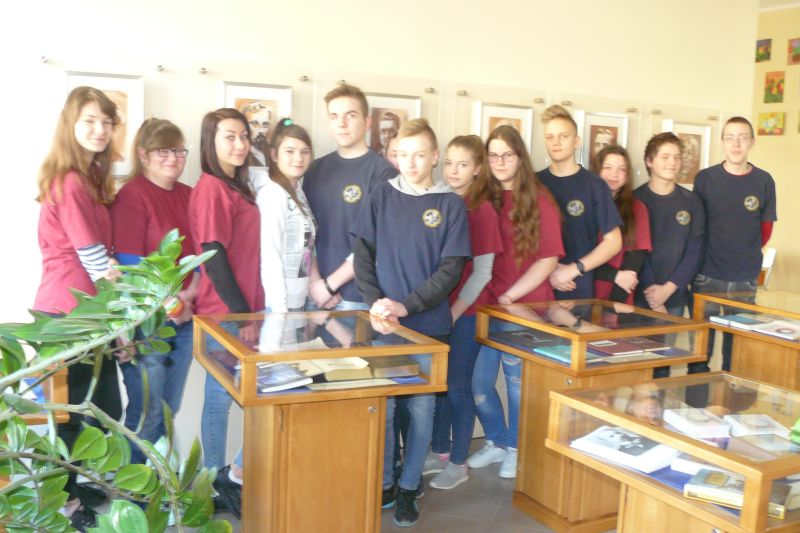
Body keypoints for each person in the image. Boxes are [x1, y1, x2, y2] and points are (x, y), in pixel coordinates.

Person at [352, 118, 470, 527]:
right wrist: (376, 303)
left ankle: (408, 485)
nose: (411, 163)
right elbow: (362, 255)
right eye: (403, 155)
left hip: (429, 328)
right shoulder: (380, 195)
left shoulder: (450, 204)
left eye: (420, 155)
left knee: (421, 411)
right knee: (384, 409)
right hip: (384, 325)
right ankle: (385, 481)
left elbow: (450, 270)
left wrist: (407, 305)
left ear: (435, 156)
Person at [33, 86, 123, 530]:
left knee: (102, 409)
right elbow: (93, 257)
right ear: (70, 125)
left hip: (89, 315)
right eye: (90, 121)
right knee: (70, 415)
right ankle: (64, 505)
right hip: (68, 315)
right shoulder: (69, 180)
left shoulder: (87, 181)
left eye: (106, 122)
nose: (100, 130)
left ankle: (72, 485)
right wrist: (128, 303)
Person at [467, 125, 564, 479]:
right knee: (479, 383)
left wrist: (512, 295)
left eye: (506, 154)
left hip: (525, 309)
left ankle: (516, 448)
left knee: (516, 383)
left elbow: (548, 260)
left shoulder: (540, 200)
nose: (499, 162)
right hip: (488, 307)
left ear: (520, 157)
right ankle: (496, 439)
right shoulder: (482, 197)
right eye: (493, 155)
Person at [190, 108, 264, 519]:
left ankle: (226, 476)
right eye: (230, 137)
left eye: (244, 136)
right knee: (220, 400)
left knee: (237, 397)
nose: (239, 144)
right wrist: (242, 316)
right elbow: (213, 257)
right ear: (211, 142)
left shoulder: (237, 186)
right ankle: (215, 481)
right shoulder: (211, 189)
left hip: (244, 311)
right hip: (226, 315)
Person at [111, 118, 197, 464]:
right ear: (144, 154)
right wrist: (173, 304)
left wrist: (188, 299)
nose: (173, 158)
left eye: (179, 151)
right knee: (145, 415)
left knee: (168, 409)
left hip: (185, 321)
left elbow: (199, 259)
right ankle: (130, 489)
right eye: (164, 150)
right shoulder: (132, 196)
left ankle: (153, 484)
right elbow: (131, 267)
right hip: (146, 324)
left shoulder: (189, 195)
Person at [425, 135, 502, 490]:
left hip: (467, 312)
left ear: (478, 169)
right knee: (440, 385)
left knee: (458, 386)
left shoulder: (481, 210)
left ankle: (459, 462)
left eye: (463, 164)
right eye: (449, 163)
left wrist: (455, 312)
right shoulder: (440, 200)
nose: (453, 171)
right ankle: (440, 450)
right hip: (439, 310)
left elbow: (483, 273)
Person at [692, 117, 777, 373]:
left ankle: (731, 395)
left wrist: (743, 252)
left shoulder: (764, 180)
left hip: (744, 278)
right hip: (707, 275)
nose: (736, 144)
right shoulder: (705, 178)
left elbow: (765, 229)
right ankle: (697, 396)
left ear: (752, 142)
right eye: (729, 138)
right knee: (700, 350)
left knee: (737, 352)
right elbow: (696, 228)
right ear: (722, 143)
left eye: (742, 138)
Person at [303, 84, 397, 312]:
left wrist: (330, 285)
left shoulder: (383, 173)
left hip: (357, 297)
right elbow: (307, 234)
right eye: (334, 116)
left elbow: (376, 242)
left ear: (367, 122)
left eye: (350, 115)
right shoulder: (314, 169)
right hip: (314, 292)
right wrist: (317, 283)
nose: (341, 123)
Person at [634, 133, 704, 377]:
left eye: (676, 157)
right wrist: (654, 295)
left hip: (674, 297)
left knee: (662, 366)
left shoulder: (691, 201)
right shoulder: (634, 200)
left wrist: (669, 289)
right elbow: (634, 251)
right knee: (637, 366)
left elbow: (695, 251)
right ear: (649, 161)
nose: (672, 162)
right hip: (639, 297)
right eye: (665, 157)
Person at [537, 105, 622, 299]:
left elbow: (613, 242)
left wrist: (573, 270)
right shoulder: (534, 183)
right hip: (538, 285)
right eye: (550, 137)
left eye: (563, 136)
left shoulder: (594, 185)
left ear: (576, 141)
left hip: (577, 287)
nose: (556, 142)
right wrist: (549, 269)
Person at [590, 145, 651, 304]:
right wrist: (615, 275)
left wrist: (613, 307)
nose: (614, 174)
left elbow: (633, 265)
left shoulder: (636, 208)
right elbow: (577, 258)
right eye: (608, 167)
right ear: (596, 170)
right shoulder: (584, 205)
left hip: (617, 297)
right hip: (581, 291)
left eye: (621, 169)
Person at [239, 100, 272, 168]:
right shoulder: (239, 150)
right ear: (244, 124)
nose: (260, 129)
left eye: (265, 124)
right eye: (255, 123)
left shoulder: (269, 149)